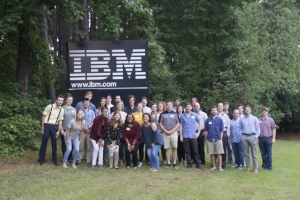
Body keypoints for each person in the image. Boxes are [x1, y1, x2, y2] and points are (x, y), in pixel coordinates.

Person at [38, 95, 64, 166]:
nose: (60, 102)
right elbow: (44, 116)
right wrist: (43, 127)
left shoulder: (62, 110)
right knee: (44, 142)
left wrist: (59, 130)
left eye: (61, 100)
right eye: (59, 100)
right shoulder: (50, 107)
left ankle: (54, 160)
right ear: (56, 100)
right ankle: (41, 159)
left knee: (54, 144)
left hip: (54, 127)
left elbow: (60, 121)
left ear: (62, 101)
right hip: (47, 125)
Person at [158, 101, 180, 169]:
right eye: (167, 105)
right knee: (167, 148)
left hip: (173, 133)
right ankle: (168, 163)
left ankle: (174, 163)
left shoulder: (175, 114)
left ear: (172, 106)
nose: (168, 106)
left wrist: (173, 130)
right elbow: (160, 123)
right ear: (166, 106)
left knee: (174, 148)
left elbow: (178, 123)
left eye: (170, 105)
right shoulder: (162, 114)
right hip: (165, 133)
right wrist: (165, 131)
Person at [180, 103, 202, 169]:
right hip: (185, 136)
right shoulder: (182, 116)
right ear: (185, 108)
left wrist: (198, 133)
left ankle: (198, 164)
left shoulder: (195, 115)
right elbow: (180, 126)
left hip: (193, 136)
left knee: (195, 151)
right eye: (187, 107)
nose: (188, 108)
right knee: (187, 151)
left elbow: (200, 123)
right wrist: (181, 136)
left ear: (191, 108)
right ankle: (189, 164)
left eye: (189, 107)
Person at [239, 105, 260, 173]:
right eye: (246, 109)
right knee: (246, 153)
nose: (247, 110)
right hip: (244, 137)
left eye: (248, 109)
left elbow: (258, 129)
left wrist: (256, 136)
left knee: (254, 154)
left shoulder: (254, 118)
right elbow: (239, 128)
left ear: (250, 110)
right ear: (244, 110)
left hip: (252, 136)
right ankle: (248, 167)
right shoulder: (241, 119)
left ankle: (256, 168)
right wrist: (241, 136)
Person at [204, 106, 224, 171]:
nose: (213, 111)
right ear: (210, 111)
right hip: (209, 139)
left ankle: (220, 167)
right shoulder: (207, 120)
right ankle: (214, 166)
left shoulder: (220, 120)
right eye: (212, 110)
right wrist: (206, 138)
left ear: (217, 111)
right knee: (212, 153)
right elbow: (206, 130)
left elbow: (221, 130)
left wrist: (220, 138)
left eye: (214, 110)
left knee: (219, 153)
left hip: (218, 138)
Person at [78, 98, 95, 165]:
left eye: (87, 102)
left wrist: (89, 127)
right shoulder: (80, 111)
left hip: (89, 132)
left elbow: (93, 121)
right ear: (83, 103)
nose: (86, 104)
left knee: (89, 148)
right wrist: (84, 127)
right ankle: (79, 160)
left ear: (89, 103)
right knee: (81, 147)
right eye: (85, 102)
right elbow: (78, 120)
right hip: (81, 132)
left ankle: (88, 161)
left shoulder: (92, 112)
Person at [110, 101, 127, 166]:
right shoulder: (112, 114)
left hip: (122, 133)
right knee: (113, 148)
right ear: (116, 106)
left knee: (121, 147)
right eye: (118, 105)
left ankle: (121, 160)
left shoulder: (125, 114)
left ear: (123, 106)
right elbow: (110, 123)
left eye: (121, 105)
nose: (120, 107)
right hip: (114, 134)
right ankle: (112, 161)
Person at [61, 93, 76, 164]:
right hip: (64, 129)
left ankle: (70, 158)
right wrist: (61, 129)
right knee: (64, 144)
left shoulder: (74, 109)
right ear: (66, 100)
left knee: (71, 144)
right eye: (69, 100)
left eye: (71, 100)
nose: (70, 101)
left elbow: (76, 119)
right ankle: (65, 158)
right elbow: (60, 120)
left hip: (72, 130)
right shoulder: (62, 108)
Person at [217, 103, 230, 168]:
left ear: (222, 107)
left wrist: (227, 135)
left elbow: (228, 126)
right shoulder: (214, 115)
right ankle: (217, 162)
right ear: (217, 107)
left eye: (221, 106)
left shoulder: (226, 116)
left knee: (223, 148)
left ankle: (223, 162)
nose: (220, 107)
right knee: (216, 148)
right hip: (216, 133)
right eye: (219, 106)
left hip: (224, 133)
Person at [132, 103, 145, 167]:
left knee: (141, 148)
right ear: (136, 107)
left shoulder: (144, 115)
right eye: (138, 106)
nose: (139, 107)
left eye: (141, 106)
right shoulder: (133, 114)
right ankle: (135, 160)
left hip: (142, 134)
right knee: (134, 148)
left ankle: (141, 161)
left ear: (142, 107)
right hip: (134, 134)